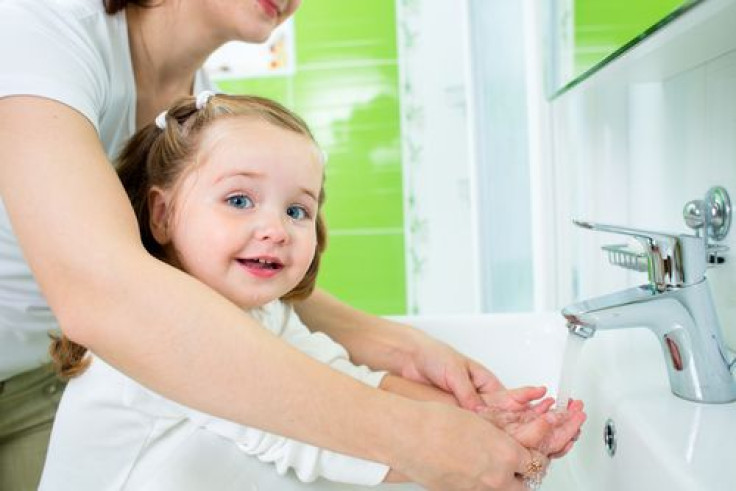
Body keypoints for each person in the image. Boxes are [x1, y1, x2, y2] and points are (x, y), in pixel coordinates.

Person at [0, 1, 583, 489]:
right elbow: (106, 296)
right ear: (162, 213)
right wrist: (427, 442)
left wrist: (465, 410)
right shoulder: (41, 31)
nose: (274, 228)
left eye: (298, 210)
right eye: (239, 203)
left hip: (46, 372)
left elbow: (323, 371)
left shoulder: (202, 119)